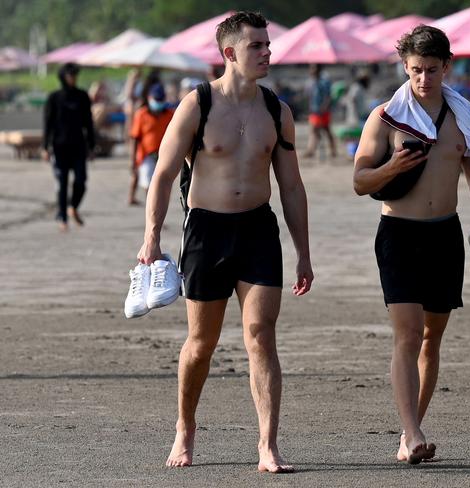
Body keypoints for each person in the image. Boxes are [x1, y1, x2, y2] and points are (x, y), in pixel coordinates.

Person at [136, 11, 313, 472]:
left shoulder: (278, 110)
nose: (267, 53)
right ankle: (185, 428)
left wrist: (304, 253)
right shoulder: (198, 105)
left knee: (261, 335)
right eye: (257, 46)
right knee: (201, 341)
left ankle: (268, 445)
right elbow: (163, 174)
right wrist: (152, 236)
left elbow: (292, 187)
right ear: (229, 53)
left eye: (268, 45)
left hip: (258, 230)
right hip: (206, 231)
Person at [353, 25, 470, 465]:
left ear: (447, 67)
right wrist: (392, 166)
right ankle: (414, 432)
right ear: (405, 67)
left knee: (431, 338)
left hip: (445, 233)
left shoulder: (464, 116)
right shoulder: (385, 117)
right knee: (406, 334)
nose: (424, 79)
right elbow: (361, 181)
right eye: (416, 70)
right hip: (399, 233)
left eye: (432, 70)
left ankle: (408, 434)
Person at [42, 62, 95, 232]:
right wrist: (45, 146)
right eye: (70, 75)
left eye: (75, 75)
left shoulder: (82, 96)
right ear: (64, 77)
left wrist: (92, 145)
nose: (73, 78)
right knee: (62, 183)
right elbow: (47, 124)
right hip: (59, 146)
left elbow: (88, 122)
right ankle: (63, 218)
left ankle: (73, 207)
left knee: (81, 181)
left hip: (78, 146)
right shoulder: (54, 98)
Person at [128, 83, 174, 205]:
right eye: (156, 100)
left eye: (161, 100)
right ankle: (153, 207)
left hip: (164, 155)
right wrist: (132, 159)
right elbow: (135, 138)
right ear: (149, 98)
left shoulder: (170, 114)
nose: (158, 103)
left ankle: (156, 206)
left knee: (162, 183)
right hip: (146, 155)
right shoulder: (141, 114)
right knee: (148, 183)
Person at [303, 64, 337, 159]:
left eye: (313, 68)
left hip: (322, 111)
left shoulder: (324, 82)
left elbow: (328, 96)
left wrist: (324, 107)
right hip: (314, 110)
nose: (311, 70)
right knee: (314, 130)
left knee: (326, 130)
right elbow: (309, 96)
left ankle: (332, 149)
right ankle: (312, 149)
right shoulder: (311, 82)